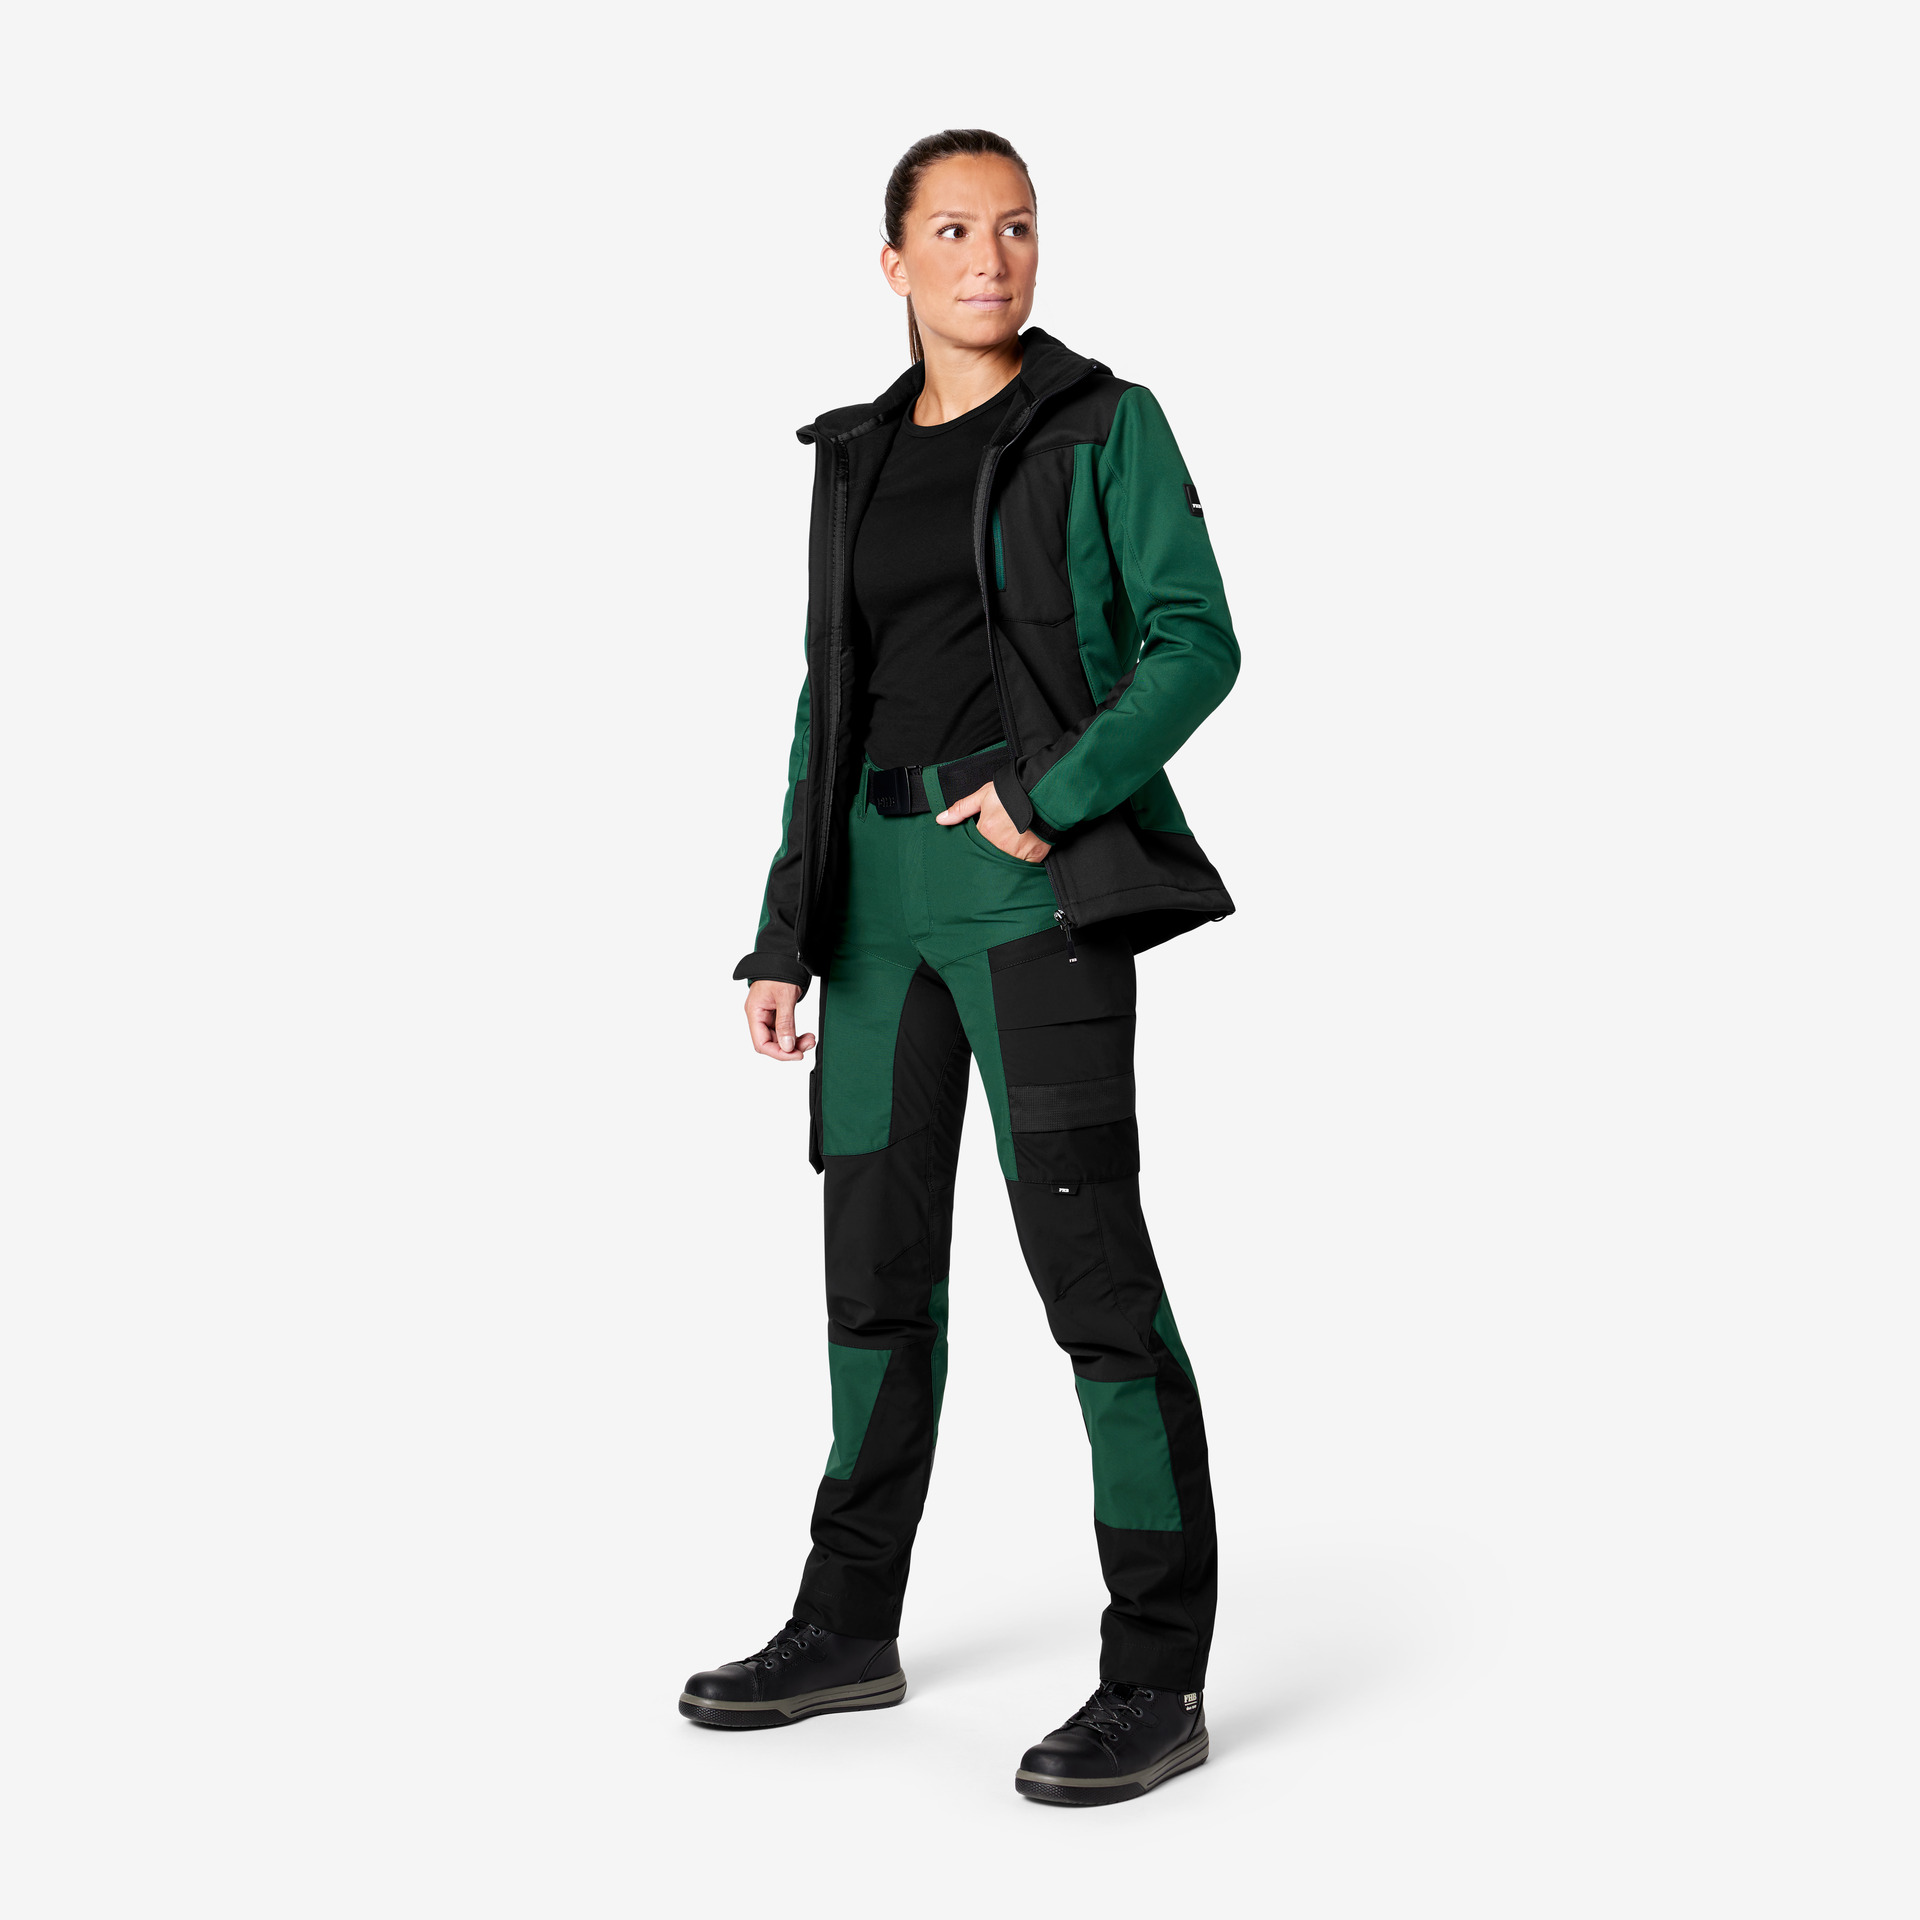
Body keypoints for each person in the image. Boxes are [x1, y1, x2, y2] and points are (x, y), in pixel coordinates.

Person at [680, 128, 1240, 1807]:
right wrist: (789, 928)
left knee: (1094, 1287)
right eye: (950, 230)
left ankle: (1155, 1676)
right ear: (894, 262)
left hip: (1025, 894)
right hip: (872, 906)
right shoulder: (853, 456)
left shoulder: (1103, 422)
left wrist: (1051, 795)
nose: (988, 258)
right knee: (873, 1284)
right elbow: (827, 695)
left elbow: (1197, 640)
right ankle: (846, 1626)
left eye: (1014, 227)